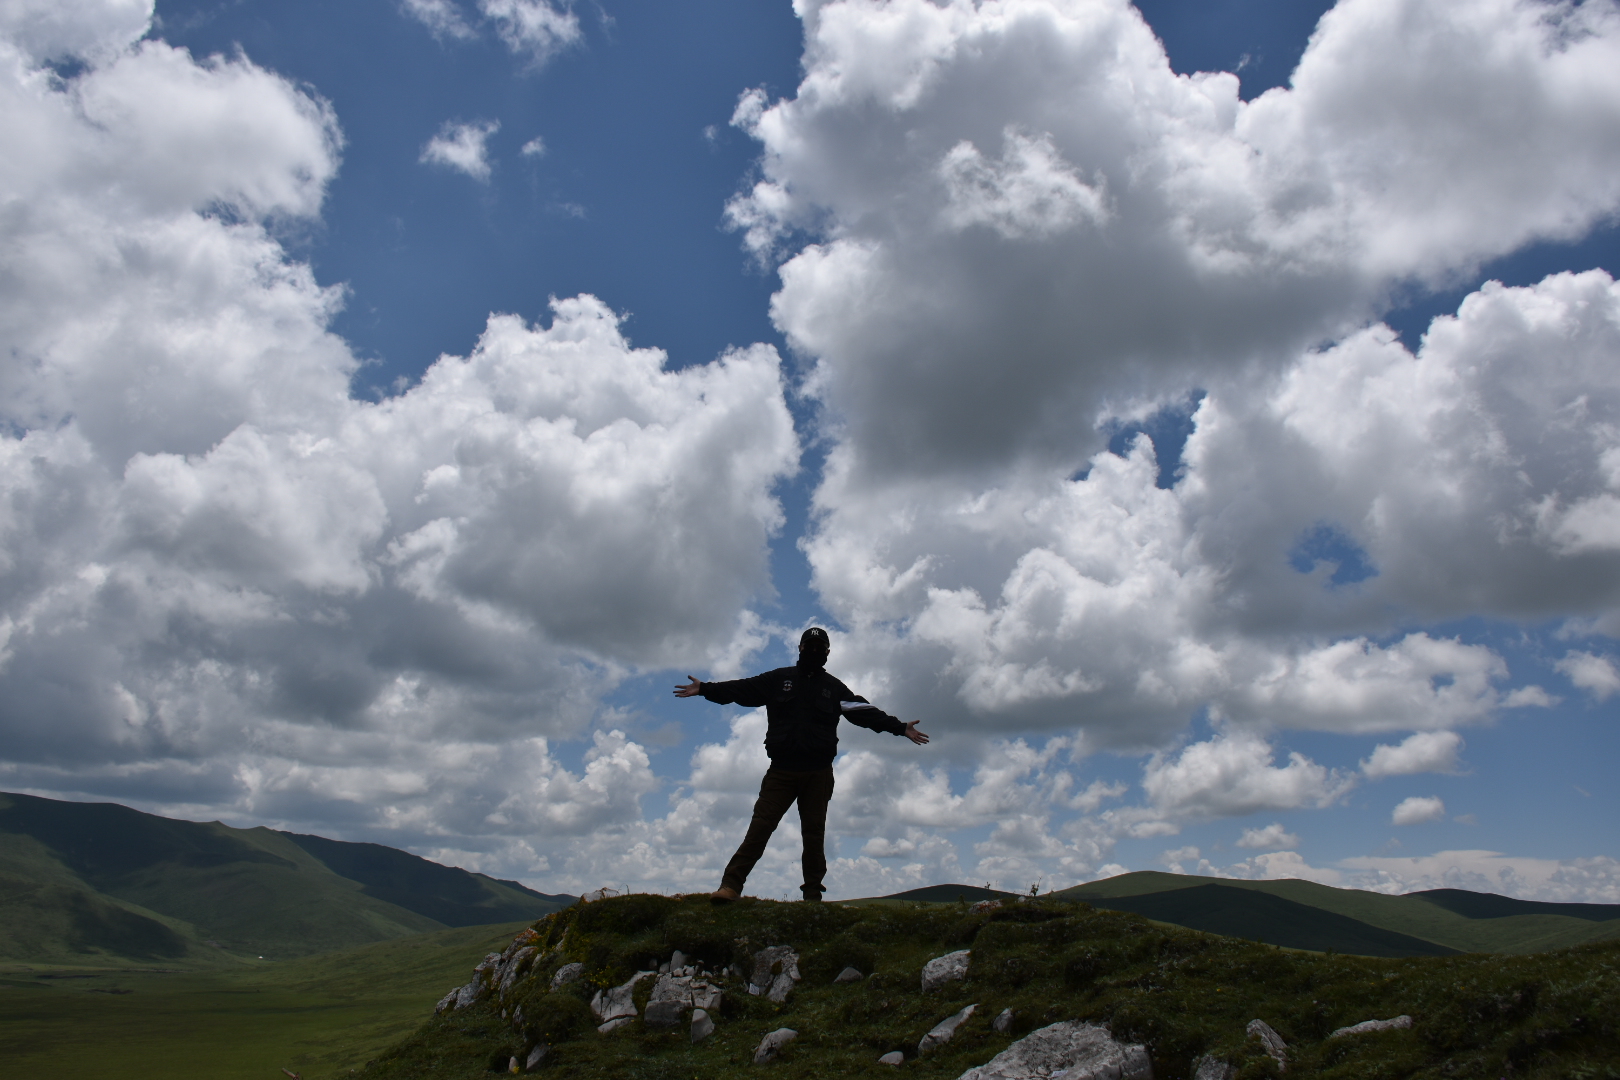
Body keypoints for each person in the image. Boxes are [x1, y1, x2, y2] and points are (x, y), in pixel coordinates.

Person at [674, 626, 929, 903]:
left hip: (818, 774)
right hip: (781, 772)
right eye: (810, 646)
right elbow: (741, 689)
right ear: (800, 648)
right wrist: (706, 689)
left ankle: (811, 893)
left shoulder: (833, 688)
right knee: (760, 828)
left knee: (813, 833)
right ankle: (730, 887)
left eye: (820, 648)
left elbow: (864, 712)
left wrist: (900, 727)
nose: (815, 651)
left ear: (828, 653)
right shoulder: (779, 679)